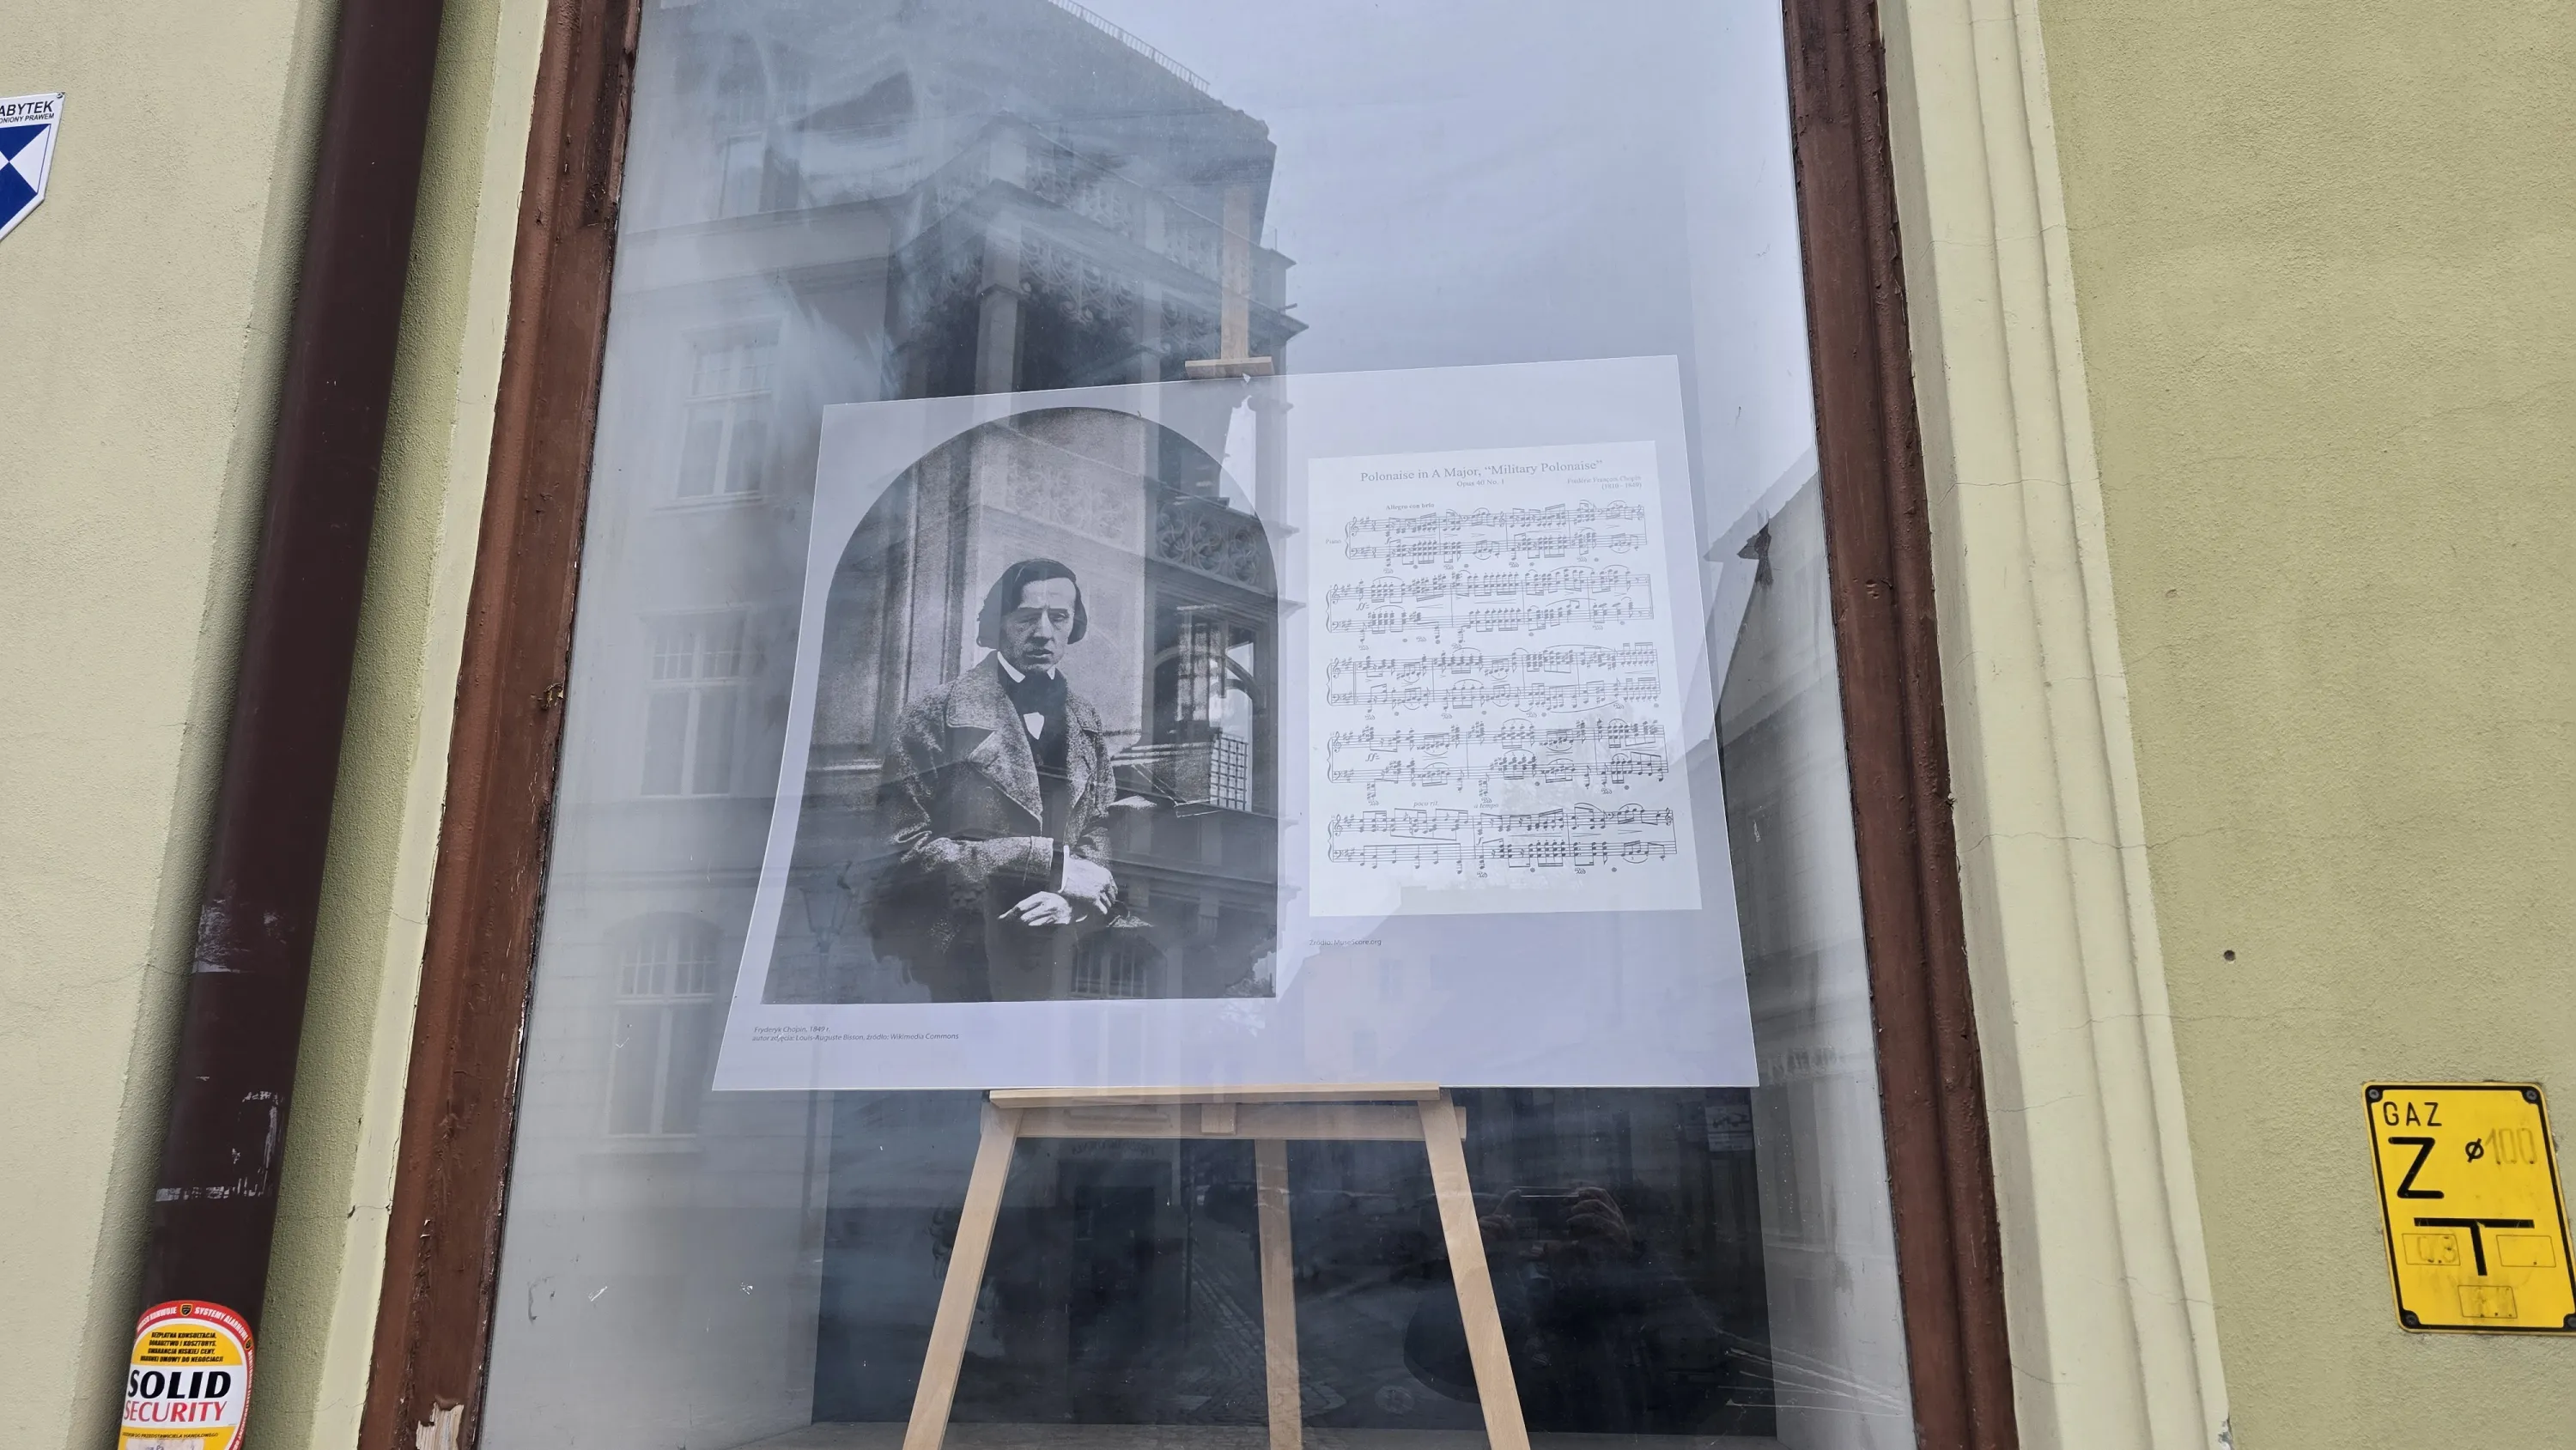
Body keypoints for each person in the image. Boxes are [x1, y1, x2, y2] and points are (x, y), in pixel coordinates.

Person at [870, 558, 1121, 1000]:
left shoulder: (1086, 719)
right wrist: (1044, 863)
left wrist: (1068, 901)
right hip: (961, 950)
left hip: (1064, 949)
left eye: (1059, 617)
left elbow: (1100, 825)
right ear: (998, 623)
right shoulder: (937, 713)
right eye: (1027, 617)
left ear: (1073, 625)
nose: (1043, 632)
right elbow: (899, 848)